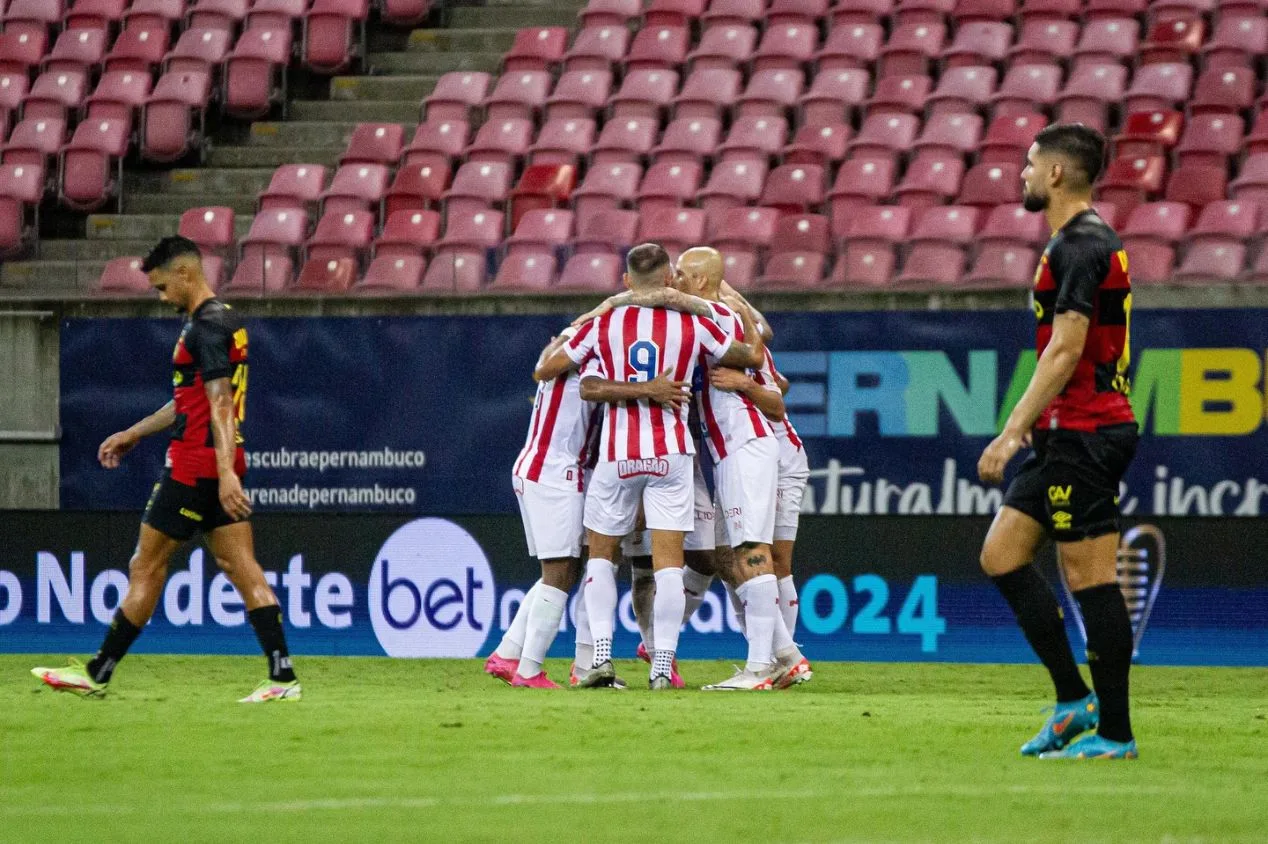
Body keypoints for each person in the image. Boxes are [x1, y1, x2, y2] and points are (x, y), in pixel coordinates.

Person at [31, 236, 300, 703]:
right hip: (220, 459)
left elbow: (219, 403)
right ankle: (283, 677)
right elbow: (192, 400)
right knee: (240, 565)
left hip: (195, 465)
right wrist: (135, 432)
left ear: (185, 273)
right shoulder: (227, 320)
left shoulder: (204, 329)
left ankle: (97, 673)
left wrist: (223, 473)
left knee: (146, 564)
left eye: (162, 287)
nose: (161, 297)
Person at [976, 124, 1139, 760]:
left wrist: (1012, 428)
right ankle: (1074, 701)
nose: (1022, 174)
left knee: (1090, 578)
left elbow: (1067, 349)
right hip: (1063, 432)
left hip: (1088, 430)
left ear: (1056, 173)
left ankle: (1116, 734)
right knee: (1002, 556)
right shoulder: (1074, 243)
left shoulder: (1081, 245)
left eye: (1029, 163)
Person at [535, 243, 764, 689]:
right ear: (669, 280)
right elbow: (750, 356)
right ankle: (661, 666)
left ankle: (601, 658)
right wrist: (738, 313)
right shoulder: (693, 323)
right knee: (669, 567)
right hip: (672, 455)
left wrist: (589, 317)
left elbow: (549, 369)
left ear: (626, 281)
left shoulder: (604, 323)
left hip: (617, 456)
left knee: (602, 560)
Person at [673, 248, 810, 691]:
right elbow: (760, 346)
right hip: (732, 449)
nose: (674, 281)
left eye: (680, 274)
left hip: (744, 444)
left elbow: (759, 359)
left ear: (699, 281)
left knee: (753, 550)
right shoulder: (724, 315)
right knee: (733, 554)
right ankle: (786, 657)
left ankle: (760, 667)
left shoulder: (712, 315)